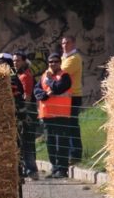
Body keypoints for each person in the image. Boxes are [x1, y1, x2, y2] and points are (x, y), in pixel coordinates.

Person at [34, 53, 72, 179]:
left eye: (55, 61)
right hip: (47, 115)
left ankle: (62, 169)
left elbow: (59, 88)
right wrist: (44, 95)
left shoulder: (65, 76)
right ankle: (55, 168)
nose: (52, 64)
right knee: (50, 143)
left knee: (61, 142)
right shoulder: (44, 76)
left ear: (60, 63)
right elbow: (36, 90)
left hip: (61, 115)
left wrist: (50, 81)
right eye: (50, 62)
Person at [13, 50, 39, 180]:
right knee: (26, 142)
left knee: (27, 141)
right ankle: (30, 169)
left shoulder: (26, 76)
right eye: (14, 61)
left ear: (24, 61)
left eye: (17, 60)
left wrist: (24, 112)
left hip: (28, 111)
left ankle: (32, 170)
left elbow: (27, 96)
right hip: (25, 110)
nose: (15, 63)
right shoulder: (20, 75)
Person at [60, 35, 83, 165]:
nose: (64, 45)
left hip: (73, 96)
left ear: (73, 43)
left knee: (72, 125)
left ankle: (75, 154)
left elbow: (60, 73)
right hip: (66, 96)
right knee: (66, 125)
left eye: (67, 43)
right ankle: (70, 153)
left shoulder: (74, 58)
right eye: (63, 43)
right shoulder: (64, 58)